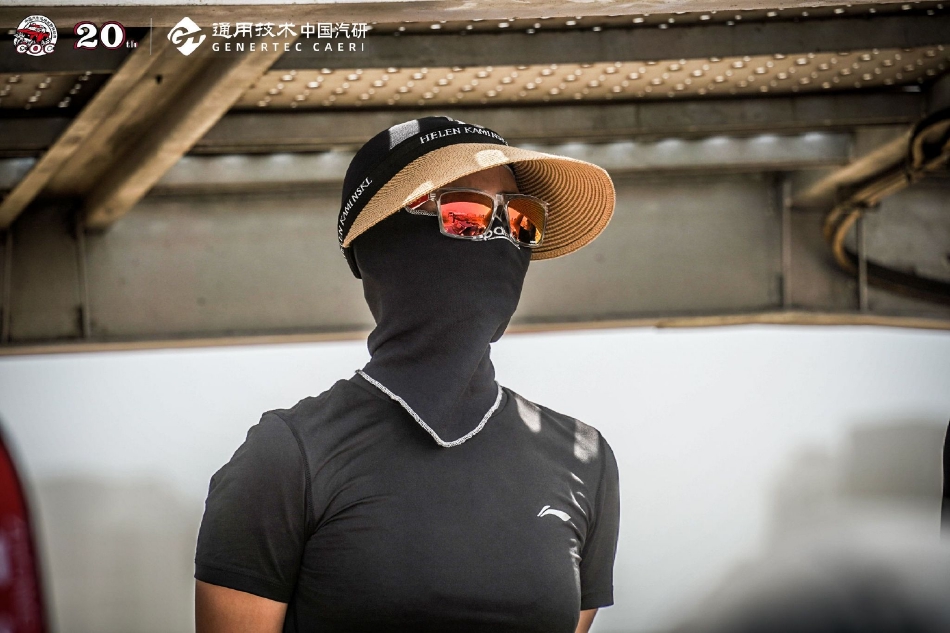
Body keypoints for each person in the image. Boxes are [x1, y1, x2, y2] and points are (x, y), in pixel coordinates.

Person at [194, 116, 620, 633]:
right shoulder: (288, 457)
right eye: (466, 212)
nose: (501, 236)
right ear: (383, 240)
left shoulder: (583, 459)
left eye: (519, 218)